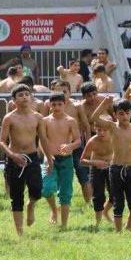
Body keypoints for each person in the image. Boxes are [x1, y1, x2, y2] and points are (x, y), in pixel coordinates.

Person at [94, 97, 131, 232]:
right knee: (117, 200)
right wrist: (104, 104)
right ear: (115, 115)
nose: (125, 116)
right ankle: (118, 231)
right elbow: (95, 117)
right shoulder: (112, 126)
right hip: (116, 169)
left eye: (127, 112)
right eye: (121, 113)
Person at [0, 84, 49, 235]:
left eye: (27, 94)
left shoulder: (37, 117)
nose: (24, 97)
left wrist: (50, 159)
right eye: (20, 95)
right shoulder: (9, 118)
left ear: (31, 96)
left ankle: (31, 205)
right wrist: (12, 155)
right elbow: (1, 142)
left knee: (37, 189)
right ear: (14, 100)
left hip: (33, 157)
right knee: (16, 195)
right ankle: (19, 231)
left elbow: (43, 139)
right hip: (15, 160)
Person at [41, 92, 82, 229]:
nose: (57, 107)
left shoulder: (70, 121)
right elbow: (42, 141)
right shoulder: (45, 120)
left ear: (65, 104)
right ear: (50, 105)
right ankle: (53, 210)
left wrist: (70, 145)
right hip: (50, 159)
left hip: (66, 160)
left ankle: (64, 225)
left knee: (65, 192)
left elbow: (78, 141)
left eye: (60, 104)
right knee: (46, 189)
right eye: (54, 104)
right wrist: (47, 156)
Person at [80, 120, 115, 227]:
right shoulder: (92, 142)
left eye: (105, 130)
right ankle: (98, 223)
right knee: (98, 196)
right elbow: (82, 160)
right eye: (99, 130)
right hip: (96, 169)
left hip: (111, 168)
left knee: (115, 194)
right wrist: (95, 162)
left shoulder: (116, 138)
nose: (102, 133)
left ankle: (105, 211)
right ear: (95, 129)